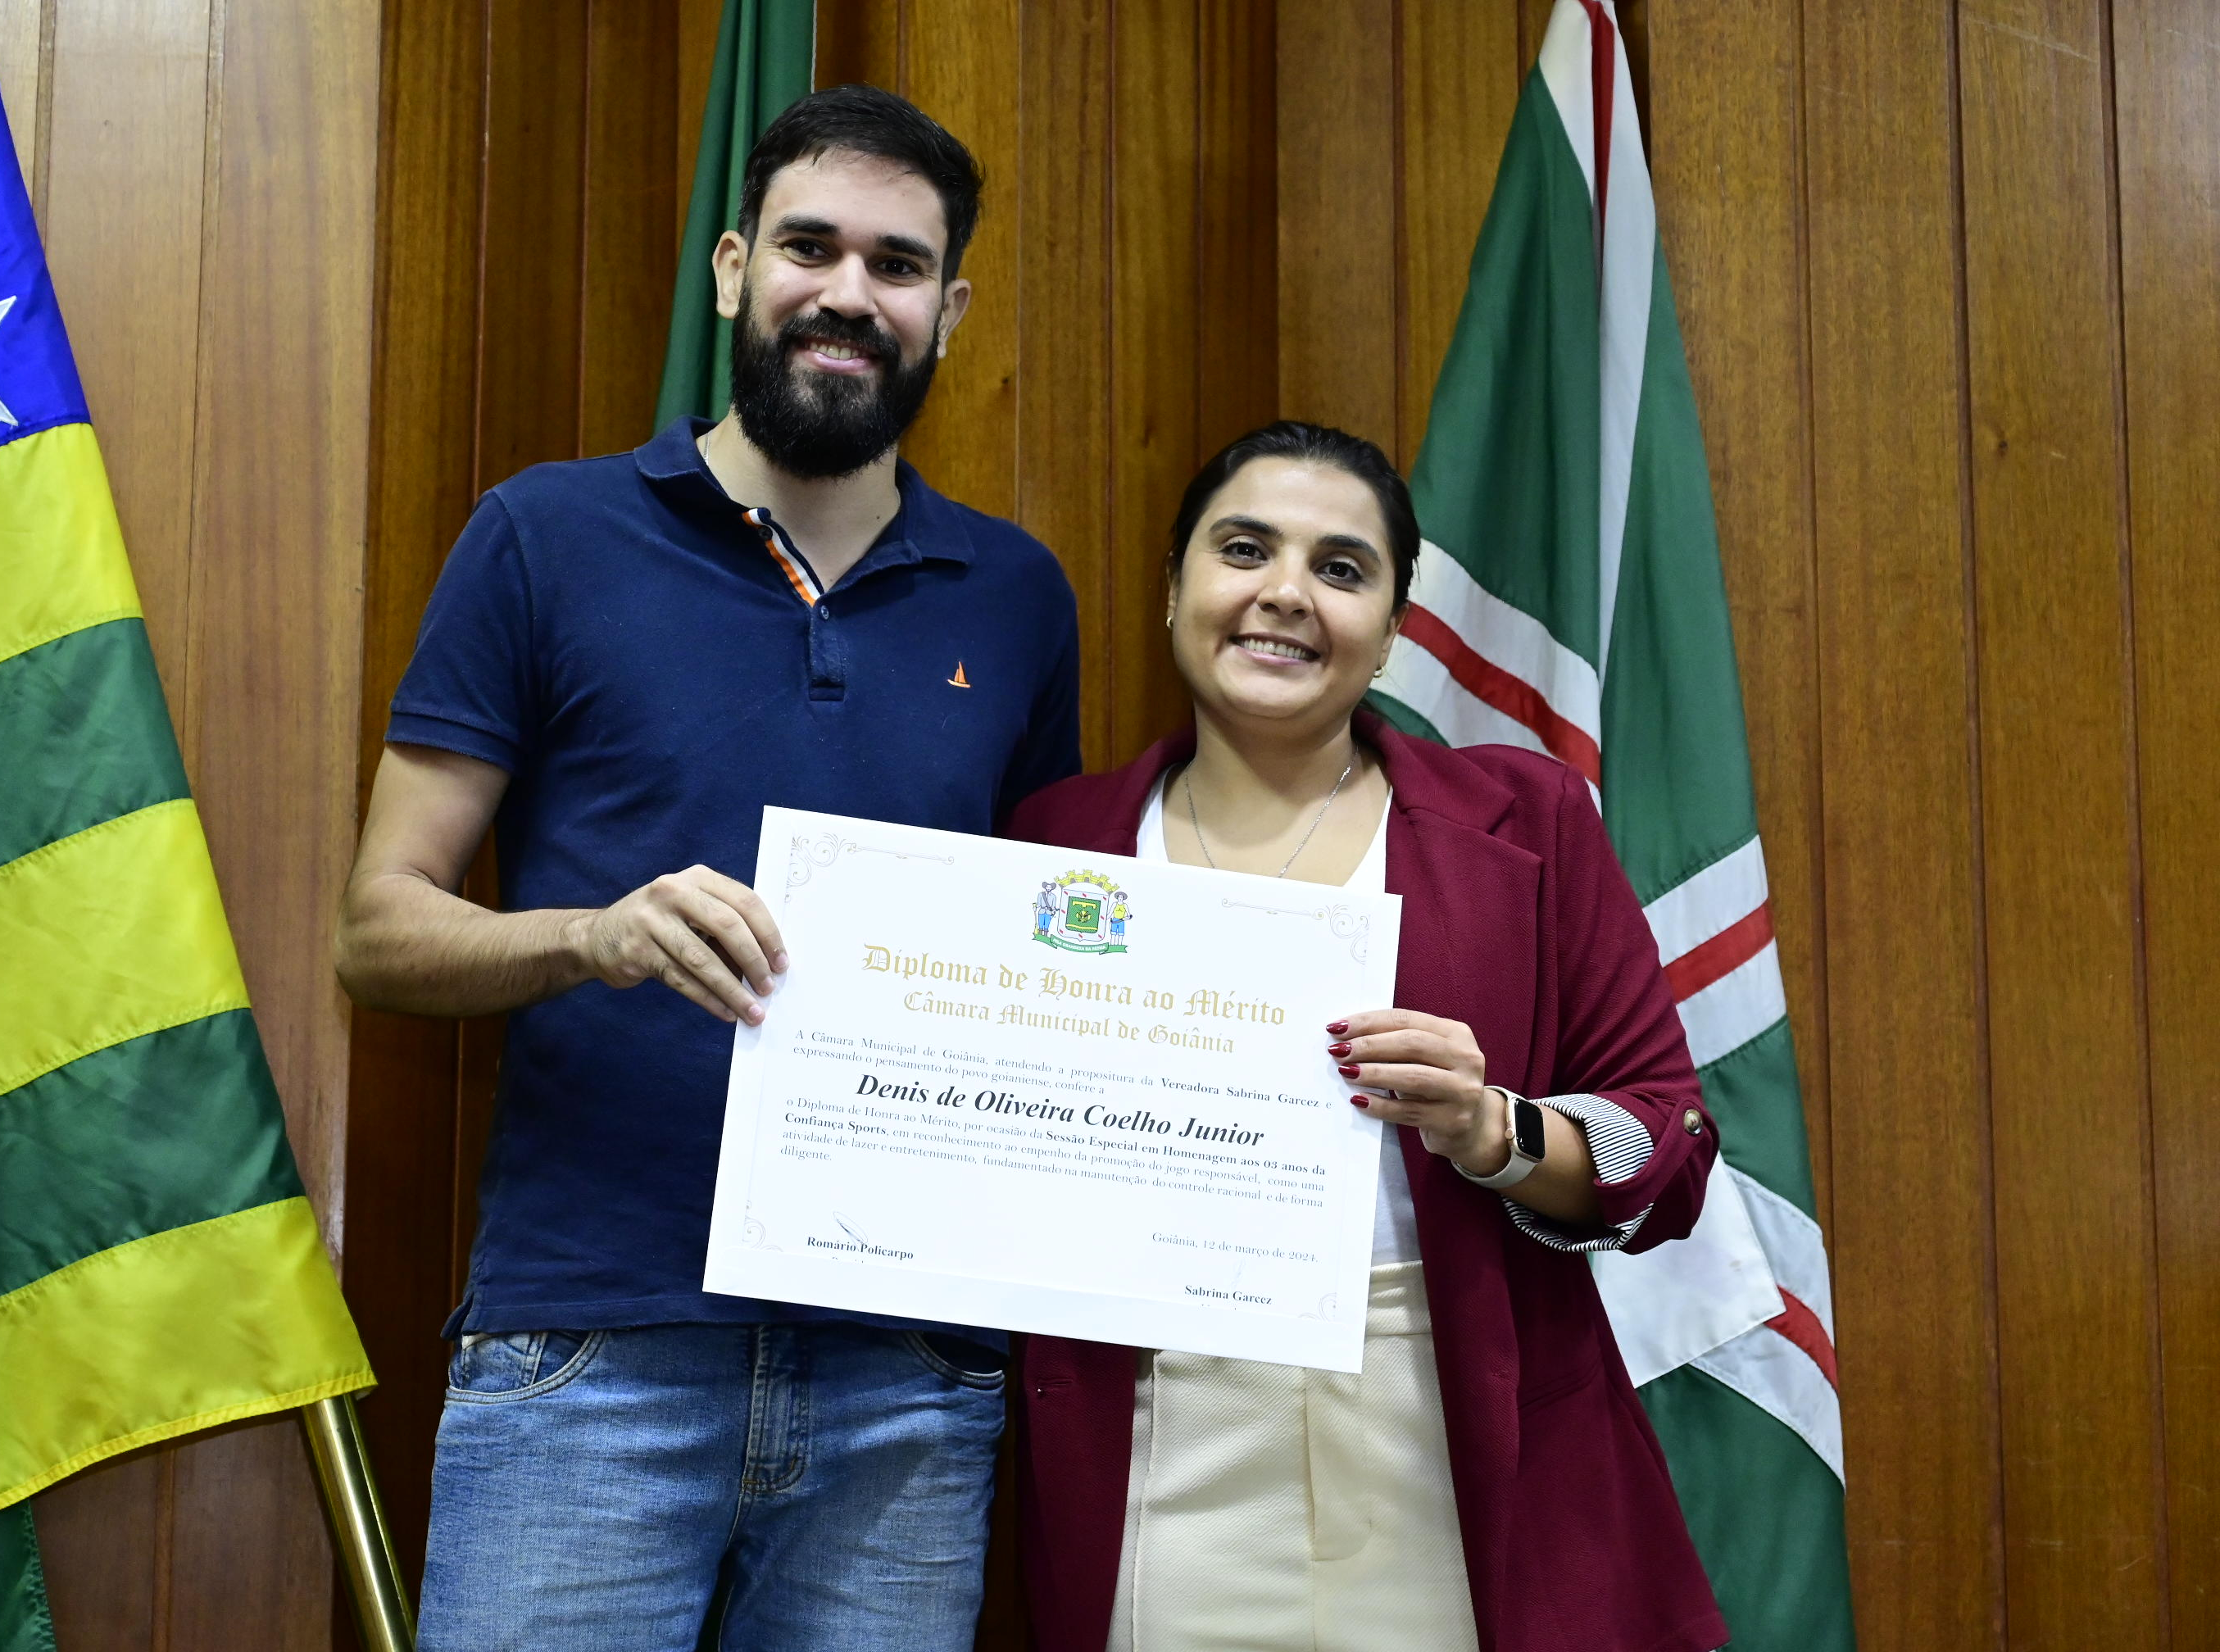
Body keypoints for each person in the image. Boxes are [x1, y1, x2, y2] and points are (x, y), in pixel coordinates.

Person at [335, 86, 1080, 1652]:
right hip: (591, 1350)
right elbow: (378, 932)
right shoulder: (544, 536)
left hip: (906, 1374)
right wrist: (593, 937)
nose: (848, 293)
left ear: (948, 311)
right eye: (811, 246)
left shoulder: (1018, 596)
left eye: (897, 264)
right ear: (736, 269)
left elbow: (1048, 959)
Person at [1005, 422, 1728, 1652]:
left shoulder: (1528, 822)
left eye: (1341, 569)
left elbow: (1670, 1146)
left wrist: (1495, 1131)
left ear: (1391, 630)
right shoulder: (1051, 843)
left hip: (1448, 1427)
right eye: (1245, 550)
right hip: (1160, 1438)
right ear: (1176, 584)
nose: (1286, 592)